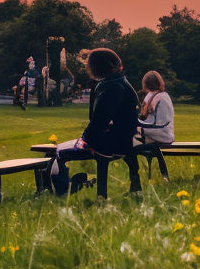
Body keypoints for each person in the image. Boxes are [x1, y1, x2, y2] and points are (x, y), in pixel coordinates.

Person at [51, 48, 138, 194]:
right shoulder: (120, 82)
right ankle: (77, 184)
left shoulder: (112, 87)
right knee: (63, 148)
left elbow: (99, 121)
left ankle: (62, 192)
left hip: (113, 142)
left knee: (59, 153)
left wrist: (85, 140)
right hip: (123, 138)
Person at [134, 69, 174, 179]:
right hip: (152, 133)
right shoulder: (151, 95)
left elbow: (161, 124)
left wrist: (138, 126)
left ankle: (136, 176)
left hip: (162, 135)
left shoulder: (162, 98)